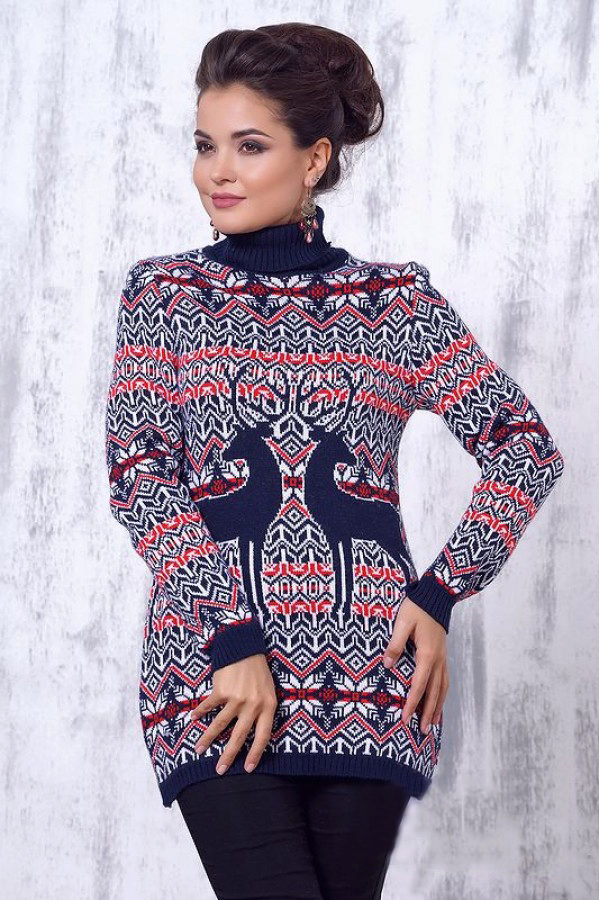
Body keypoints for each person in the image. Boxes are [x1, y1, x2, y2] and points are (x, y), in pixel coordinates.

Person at [104, 22, 566, 899]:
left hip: (372, 686)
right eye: (205, 145)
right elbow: (139, 475)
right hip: (212, 677)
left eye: (249, 146)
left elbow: (523, 450)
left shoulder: (396, 303)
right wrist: (231, 635)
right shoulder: (165, 295)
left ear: (314, 159)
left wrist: (440, 592)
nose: (217, 172)